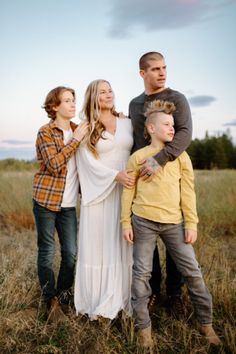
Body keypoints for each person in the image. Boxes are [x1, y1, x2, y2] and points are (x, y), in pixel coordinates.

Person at [121, 99, 221, 349]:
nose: (172, 128)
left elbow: (188, 192)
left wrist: (192, 223)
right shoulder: (138, 157)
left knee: (193, 272)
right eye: (166, 124)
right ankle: (143, 328)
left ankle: (205, 323)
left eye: (173, 124)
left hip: (174, 223)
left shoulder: (181, 157)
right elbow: (128, 193)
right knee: (141, 274)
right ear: (151, 128)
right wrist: (125, 222)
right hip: (143, 222)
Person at [129, 51, 192, 315]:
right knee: (148, 240)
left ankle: (175, 294)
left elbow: (185, 134)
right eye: (155, 69)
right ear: (142, 73)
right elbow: (134, 139)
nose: (162, 72)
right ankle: (153, 292)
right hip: (144, 181)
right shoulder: (134, 104)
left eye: (164, 67)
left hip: (170, 176)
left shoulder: (177, 98)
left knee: (174, 234)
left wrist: (159, 160)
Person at [74, 79, 134, 320]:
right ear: (93, 97)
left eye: (110, 90)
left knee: (123, 243)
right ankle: (98, 301)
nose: (108, 94)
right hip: (100, 191)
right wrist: (113, 176)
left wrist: (127, 177)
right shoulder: (86, 127)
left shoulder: (128, 122)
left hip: (127, 189)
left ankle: (123, 299)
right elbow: (85, 163)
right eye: (102, 92)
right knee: (99, 243)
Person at [33, 86, 88, 322]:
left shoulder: (80, 130)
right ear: (55, 107)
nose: (73, 104)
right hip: (45, 200)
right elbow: (54, 164)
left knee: (71, 254)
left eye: (74, 99)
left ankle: (63, 298)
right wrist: (75, 142)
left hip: (68, 205)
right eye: (67, 100)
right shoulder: (45, 132)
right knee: (47, 252)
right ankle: (50, 300)